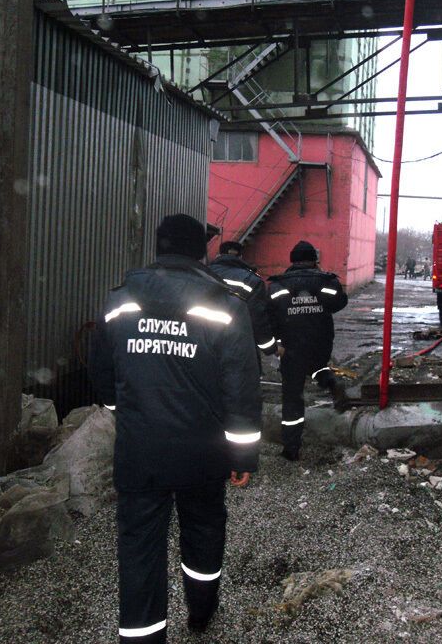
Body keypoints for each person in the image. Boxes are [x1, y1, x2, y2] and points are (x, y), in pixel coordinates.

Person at [89, 214, 261, 643]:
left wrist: (120, 409)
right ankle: (201, 613)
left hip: (140, 450)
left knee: (139, 549)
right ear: (199, 251)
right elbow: (241, 388)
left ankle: (144, 636)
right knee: (203, 530)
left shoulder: (119, 300)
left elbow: (101, 371)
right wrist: (241, 455)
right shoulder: (225, 305)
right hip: (201, 453)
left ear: (159, 247)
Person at [268, 240, 348, 461]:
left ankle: (291, 448)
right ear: (314, 259)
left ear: (292, 260)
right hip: (320, 342)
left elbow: (271, 315)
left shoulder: (277, 285)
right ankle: (330, 380)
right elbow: (340, 303)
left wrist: (276, 344)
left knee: (292, 395)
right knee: (317, 367)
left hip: (291, 347)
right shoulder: (327, 281)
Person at [209, 241, 278, 360]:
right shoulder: (252, 280)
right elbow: (257, 318)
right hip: (238, 346)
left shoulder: (203, 273)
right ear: (241, 257)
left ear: (219, 255)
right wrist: (270, 348)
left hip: (205, 344)